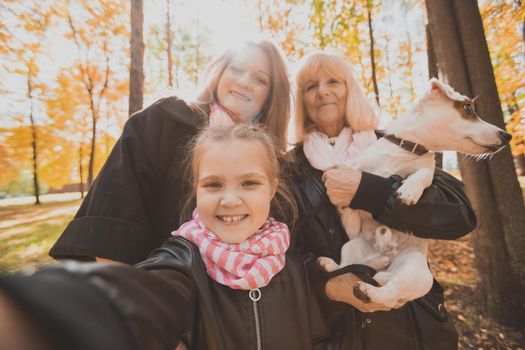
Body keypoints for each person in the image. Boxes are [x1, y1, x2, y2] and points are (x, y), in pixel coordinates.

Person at [0, 125, 329, 350]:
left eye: (249, 183)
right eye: (213, 184)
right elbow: (144, 294)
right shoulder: (182, 259)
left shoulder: (288, 257)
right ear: (196, 189)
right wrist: (46, 314)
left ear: (272, 188)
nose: (230, 200)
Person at [287, 52, 477, 349]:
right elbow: (287, 253)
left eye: (333, 82)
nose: (322, 91)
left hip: (412, 325)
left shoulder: (393, 142)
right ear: (301, 100)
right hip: (338, 332)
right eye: (311, 86)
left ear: (349, 89)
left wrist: (370, 192)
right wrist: (327, 285)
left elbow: (459, 214)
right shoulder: (290, 169)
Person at [49, 39, 291, 265]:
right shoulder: (161, 121)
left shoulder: (278, 164)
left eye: (260, 79)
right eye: (236, 69)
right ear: (219, 74)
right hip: (160, 294)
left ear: (271, 96)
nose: (245, 81)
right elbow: (112, 230)